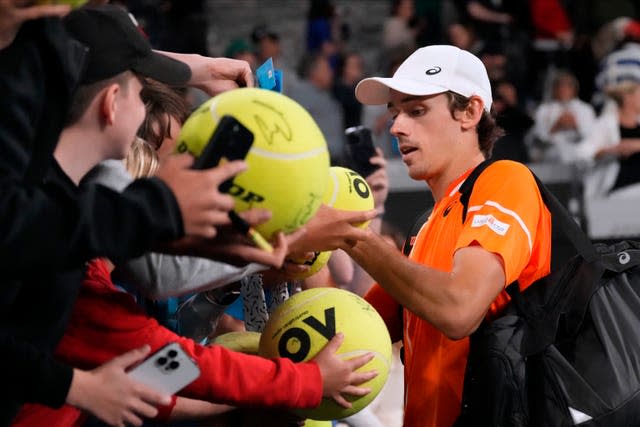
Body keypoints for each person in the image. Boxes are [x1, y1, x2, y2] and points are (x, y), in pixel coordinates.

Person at [0, 4, 287, 425]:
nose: (193, 181)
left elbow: (165, 354)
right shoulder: (84, 268)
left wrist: (197, 69)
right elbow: (158, 370)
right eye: (174, 170)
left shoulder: (78, 230)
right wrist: (301, 381)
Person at [343, 45, 553, 427]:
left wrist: (351, 237)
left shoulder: (505, 179)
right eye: (395, 113)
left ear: (471, 112)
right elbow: (352, 334)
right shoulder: (425, 227)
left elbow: (458, 309)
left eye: (416, 111)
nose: (396, 127)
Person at [532, 70, 596, 163]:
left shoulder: (586, 109)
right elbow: (538, 139)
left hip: (579, 159)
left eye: (567, 86)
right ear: (554, 90)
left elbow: (593, 138)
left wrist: (576, 126)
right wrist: (556, 126)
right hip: (551, 159)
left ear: (575, 89)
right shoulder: (543, 110)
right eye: (559, 86)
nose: (563, 90)